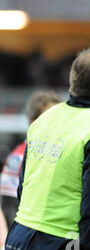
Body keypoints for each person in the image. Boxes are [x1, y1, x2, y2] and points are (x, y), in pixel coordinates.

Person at [4, 47, 90, 250]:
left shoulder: (45, 119)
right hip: (60, 249)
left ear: (74, 82)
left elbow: (23, 188)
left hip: (19, 240)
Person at [0, 91, 61, 230]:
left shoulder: (66, 152)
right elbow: (9, 208)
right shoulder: (18, 158)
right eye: (52, 118)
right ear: (34, 122)